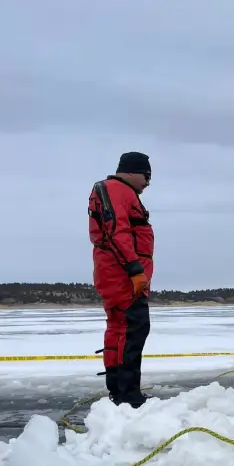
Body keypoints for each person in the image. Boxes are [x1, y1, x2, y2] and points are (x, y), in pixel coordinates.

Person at [88, 151, 154, 408]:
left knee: (120, 329)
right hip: (123, 276)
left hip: (116, 274)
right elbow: (117, 232)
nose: (148, 183)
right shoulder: (116, 191)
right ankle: (129, 395)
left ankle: (119, 390)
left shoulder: (118, 192)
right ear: (133, 172)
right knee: (134, 329)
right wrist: (135, 270)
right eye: (147, 176)